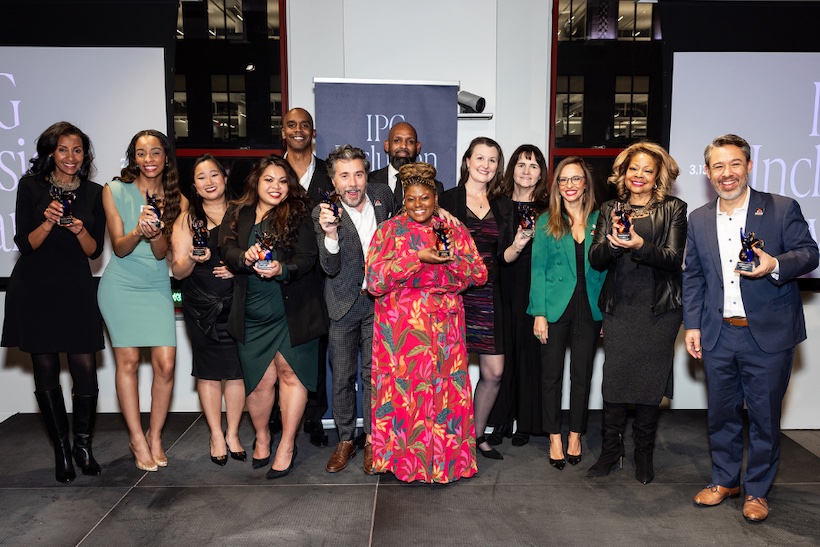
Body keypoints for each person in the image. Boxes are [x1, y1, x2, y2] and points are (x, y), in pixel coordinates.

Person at [684, 134, 818, 523]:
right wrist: (692, 324)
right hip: (718, 332)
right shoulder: (699, 218)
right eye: (718, 167)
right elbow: (693, 276)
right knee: (721, 415)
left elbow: (809, 253)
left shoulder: (780, 208)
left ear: (749, 165)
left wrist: (773, 264)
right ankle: (725, 480)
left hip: (769, 336)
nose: (727, 174)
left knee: (763, 417)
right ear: (708, 173)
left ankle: (757, 490)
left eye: (734, 164)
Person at [366, 162, 488, 483]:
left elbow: (478, 273)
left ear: (436, 199)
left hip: (444, 328)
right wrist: (416, 258)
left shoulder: (453, 230)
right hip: (401, 331)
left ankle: (443, 464)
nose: (418, 205)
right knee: (404, 394)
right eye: (411, 199)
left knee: (443, 392)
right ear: (403, 199)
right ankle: (404, 464)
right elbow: (375, 281)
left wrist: (451, 263)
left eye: (425, 198)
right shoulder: (388, 232)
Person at [2, 122, 106, 483]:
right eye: (63, 149)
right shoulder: (30, 187)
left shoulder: (95, 193)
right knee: (45, 373)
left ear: (84, 155)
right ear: (50, 153)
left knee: (86, 373)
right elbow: (26, 245)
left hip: (76, 288)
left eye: (77, 150)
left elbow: (96, 251)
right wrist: (47, 222)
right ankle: (62, 450)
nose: (70, 156)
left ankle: (83, 445)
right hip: (36, 289)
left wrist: (80, 230)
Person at [219, 155, 326, 480]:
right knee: (261, 380)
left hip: (294, 310)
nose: (276, 187)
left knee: (291, 375)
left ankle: (288, 445)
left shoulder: (300, 215)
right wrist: (243, 255)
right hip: (253, 311)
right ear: (257, 182)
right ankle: (263, 436)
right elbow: (225, 250)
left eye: (282, 181)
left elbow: (308, 259)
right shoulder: (238, 212)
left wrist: (283, 268)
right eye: (269, 180)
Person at [587, 141, 687, 484]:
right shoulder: (608, 208)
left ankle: (644, 454)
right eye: (634, 169)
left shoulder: (674, 208)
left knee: (648, 384)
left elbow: (673, 259)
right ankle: (610, 453)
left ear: (658, 174)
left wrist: (641, 246)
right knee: (614, 381)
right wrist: (614, 245)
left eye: (647, 169)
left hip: (659, 309)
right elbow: (596, 258)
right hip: (620, 307)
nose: (640, 175)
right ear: (623, 173)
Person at [98, 129, 186, 472]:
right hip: (120, 285)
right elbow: (119, 248)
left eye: (154, 153)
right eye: (140, 153)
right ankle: (136, 438)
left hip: (155, 286)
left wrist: (158, 232)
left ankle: (155, 435)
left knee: (166, 363)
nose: (148, 160)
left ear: (166, 157)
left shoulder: (179, 199)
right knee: (129, 363)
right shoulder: (114, 190)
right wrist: (138, 230)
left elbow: (163, 254)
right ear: (133, 158)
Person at [312, 145, 394, 474]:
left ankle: (374, 440)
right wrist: (330, 234)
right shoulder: (324, 212)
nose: (353, 182)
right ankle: (346, 439)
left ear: (366, 175)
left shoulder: (383, 195)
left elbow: (406, 227)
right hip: (343, 304)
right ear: (333, 180)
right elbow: (329, 267)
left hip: (378, 302)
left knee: (374, 377)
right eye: (344, 175)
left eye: (358, 174)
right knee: (343, 377)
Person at [439, 137, 515, 460]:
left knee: (494, 372)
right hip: (454, 295)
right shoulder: (446, 200)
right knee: (448, 372)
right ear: (467, 161)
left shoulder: (503, 205)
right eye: (479, 158)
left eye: (493, 160)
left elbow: (506, 256)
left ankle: (476, 435)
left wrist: (522, 241)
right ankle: (447, 438)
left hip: (489, 294)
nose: (485, 165)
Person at [530, 157, 606, 470]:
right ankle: (554, 438)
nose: (570, 185)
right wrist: (539, 313)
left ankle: (575, 434)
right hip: (555, 307)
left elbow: (608, 271)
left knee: (582, 375)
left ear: (585, 183)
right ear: (556, 186)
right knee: (551, 376)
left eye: (576, 179)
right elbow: (537, 270)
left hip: (589, 307)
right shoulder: (546, 221)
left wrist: (606, 314)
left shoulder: (601, 219)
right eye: (563, 179)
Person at [171, 155, 245, 466]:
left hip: (240, 304)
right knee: (209, 373)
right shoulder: (187, 220)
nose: (209, 181)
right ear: (195, 186)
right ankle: (215, 433)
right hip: (202, 307)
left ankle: (233, 433)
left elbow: (258, 255)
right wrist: (192, 259)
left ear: (225, 179)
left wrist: (237, 269)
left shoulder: (244, 214)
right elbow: (177, 271)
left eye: (214, 174)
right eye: (201, 177)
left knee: (238, 372)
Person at [486, 144, 549, 447]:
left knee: (530, 355)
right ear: (512, 169)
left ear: (541, 174)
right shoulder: (496, 203)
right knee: (503, 354)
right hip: (501, 284)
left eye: (534, 165)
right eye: (522, 164)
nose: (527, 171)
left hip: (535, 286)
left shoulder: (550, 207)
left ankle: (526, 423)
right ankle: (500, 422)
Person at [281, 107, 333, 448]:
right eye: (291, 125)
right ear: (283, 132)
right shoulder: (272, 171)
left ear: (313, 133)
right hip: (278, 274)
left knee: (316, 347)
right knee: (279, 349)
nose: (298, 130)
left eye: (305, 125)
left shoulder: (331, 172)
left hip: (322, 275)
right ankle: (278, 415)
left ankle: (314, 416)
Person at [368, 121, 444, 211]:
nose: (403, 146)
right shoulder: (369, 181)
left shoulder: (434, 186)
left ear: (418, 147)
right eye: (397, 140)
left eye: (410, 142)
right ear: (387, 146)